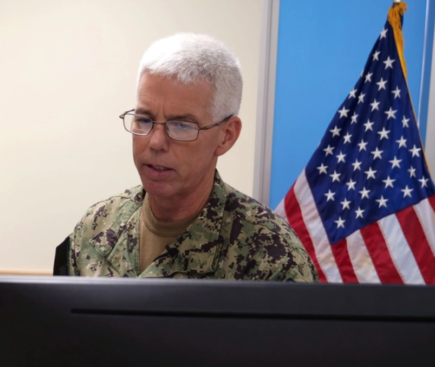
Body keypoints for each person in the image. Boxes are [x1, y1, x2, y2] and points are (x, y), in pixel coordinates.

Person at [62, 33, 318, 282]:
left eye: (181, 126)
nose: (156, 142)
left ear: (226, 136)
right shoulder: (95, 227)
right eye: (144, 120)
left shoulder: (273, 260)